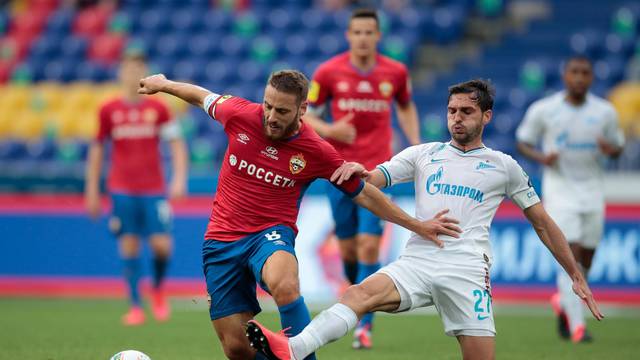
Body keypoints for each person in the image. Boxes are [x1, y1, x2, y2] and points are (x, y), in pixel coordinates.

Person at [245, 79, 604, 360]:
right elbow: (375, 177)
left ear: (486, 116)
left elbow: (541, 221)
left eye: (466, 111)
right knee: (358, 292)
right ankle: (293, 349)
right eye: (452, 110)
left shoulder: (504, 166)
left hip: (466, 271)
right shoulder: (424, 155)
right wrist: (359, 170)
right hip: (418, 261)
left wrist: (574, 273)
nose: (457, 117)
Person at [136, 69, 460, 360]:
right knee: (236, 349)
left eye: (282, 110)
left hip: (270, 234)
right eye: (267, 106)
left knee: (285, 283)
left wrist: (416, 224)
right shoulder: (239, 114)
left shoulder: (316, 150)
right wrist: (164, 84)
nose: (271, 116)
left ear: (302, 110)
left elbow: (365, 194)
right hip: (221, 240)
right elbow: (199, 95)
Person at [304, 8, 421, 349]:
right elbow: (308, 115)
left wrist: (415, 145)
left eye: (369, 32)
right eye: (357, 32)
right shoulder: (328, 72)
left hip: (376, 173)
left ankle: (363, 325)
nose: (363, 38)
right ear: (349, 35)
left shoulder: (395, 72)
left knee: (370, 244)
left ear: (378, 36)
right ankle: (357, 302)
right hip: (338, 170)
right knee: (348, 249)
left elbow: (406, 106)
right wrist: (331, 129)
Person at [516, 56, 624, 343]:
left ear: (591, 78)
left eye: (585, 73)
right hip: (560, 191)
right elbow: (522, 141)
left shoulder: (605, 112)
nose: (579, 78)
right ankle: (578, 327)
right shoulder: (545, 110)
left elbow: (618, 147)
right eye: (574, 72)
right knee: (571, 256)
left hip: (592, 191)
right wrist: (542, 157)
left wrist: (609, 149)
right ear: (565, 76)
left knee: (587, 256)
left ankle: (563, 299)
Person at [84, 51, 188, 326]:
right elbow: (97, 150)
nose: (131, 75)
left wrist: (178, 178)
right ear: (120, 73)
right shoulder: (109, 110)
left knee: (162, 246)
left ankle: (157, 291)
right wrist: (92, 190)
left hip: (154, 189)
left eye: (137, 69)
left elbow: (176, 144)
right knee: (128, 245)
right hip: (121, 188)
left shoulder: (159, 108)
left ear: (144, 73)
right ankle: (135, 306)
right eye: (127, 69)